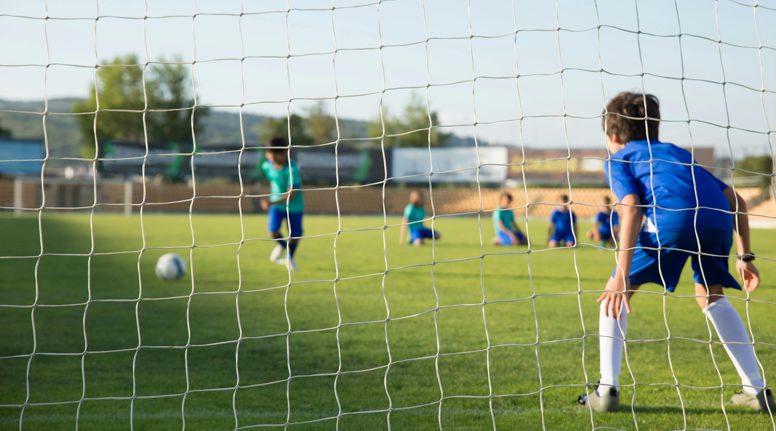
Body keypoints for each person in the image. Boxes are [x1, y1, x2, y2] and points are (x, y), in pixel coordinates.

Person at [578, 91, 772, 412]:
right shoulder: (677, 153)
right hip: (716, 220)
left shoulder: (619, 158)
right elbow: (736, 200)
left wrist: (621, 275)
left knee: (615, 292)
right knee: (711, 295)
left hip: (674, 220)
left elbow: (631, 207)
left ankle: (607, 389)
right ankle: (757, 388)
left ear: (612, 136)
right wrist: (745, 256)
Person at [260, 136, 304, 271]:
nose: (271, 157)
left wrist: (271, 202)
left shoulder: (292, 168)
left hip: (294, 206)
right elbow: (269, 180)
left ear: (284, 153)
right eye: (269, 154)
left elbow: (292, 194)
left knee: (295, 235)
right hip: (277, 205)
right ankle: (283, 246)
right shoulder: (266, 166)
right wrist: (267, 198)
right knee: (273, 231)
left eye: (274, 155)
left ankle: (290, 257)